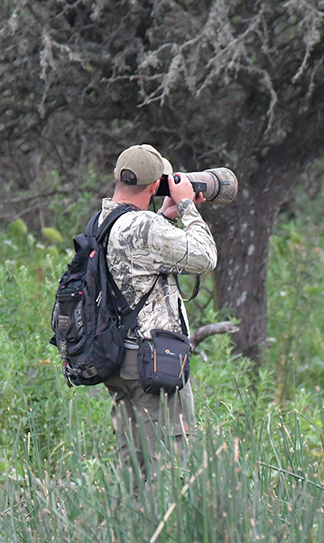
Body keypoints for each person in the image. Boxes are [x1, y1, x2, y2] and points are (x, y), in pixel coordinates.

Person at [100, 143, 217, 483]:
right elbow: (205, 256)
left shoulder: (104, 220)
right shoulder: (144, 229)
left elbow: (138, 256)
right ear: (154, 187)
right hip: (151, 364)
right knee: (169, 467)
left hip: (117, 360)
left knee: (131, 467)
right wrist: (185, 206)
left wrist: (163, 217)